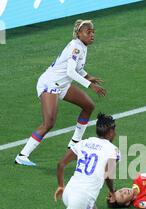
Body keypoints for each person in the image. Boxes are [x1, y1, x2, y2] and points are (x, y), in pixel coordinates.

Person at [15, 19, 106, 167]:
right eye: (88, 32)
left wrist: (89, 76)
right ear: (79, 34)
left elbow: (77, 68)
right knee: (49, 123)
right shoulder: (75, 47)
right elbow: (70, 72)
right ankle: (22, 155)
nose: (92, 35)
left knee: (88, 105)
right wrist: (90, 85)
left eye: (93, 32)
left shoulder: (82, 46)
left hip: (62, 84)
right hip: (50, 83)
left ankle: (74, 142)